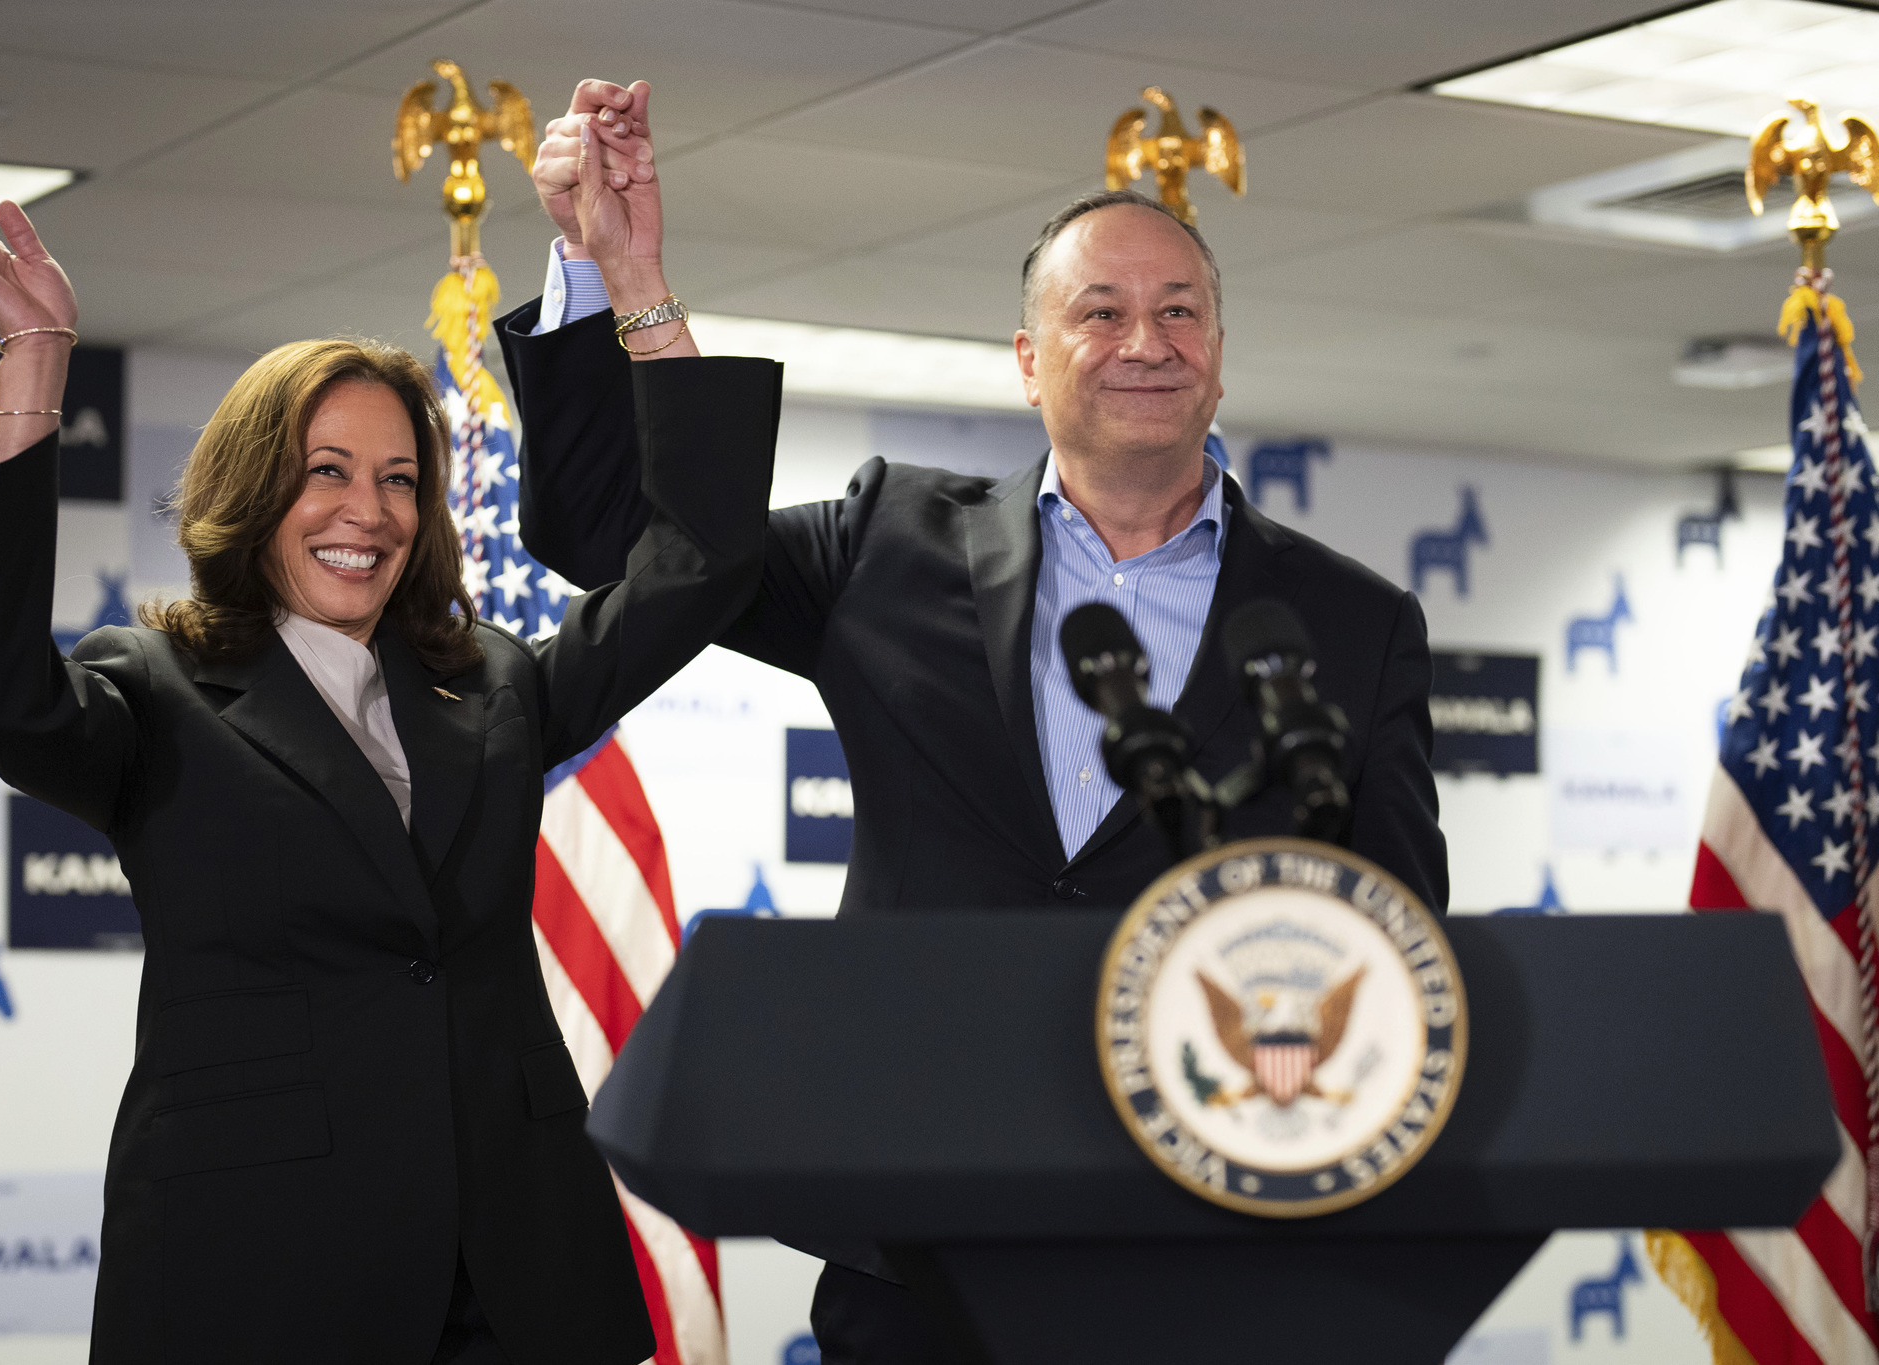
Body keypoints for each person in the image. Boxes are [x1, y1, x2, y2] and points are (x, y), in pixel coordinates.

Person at [507, 84, 1445, 1365]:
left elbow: (1397, 934)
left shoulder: (1352, 622)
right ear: (1025, 359)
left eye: (1180, 311)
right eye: (1099, 311)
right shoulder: (890, 543)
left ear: (1220, 354)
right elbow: (630, 539)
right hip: (915, 1251)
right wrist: (623, 274)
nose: (1145, 340)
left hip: (1210, 1248)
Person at [0, 98, 777, 1365]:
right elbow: (0, 693)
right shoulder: (153, 691)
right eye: (325, 470)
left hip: (518, 1271)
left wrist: (632, 280)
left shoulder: (490, 682)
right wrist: (36, 363)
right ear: (253, 490)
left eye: (396, 478)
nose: (364, 511)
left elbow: (700, 560)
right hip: (260, 1269)